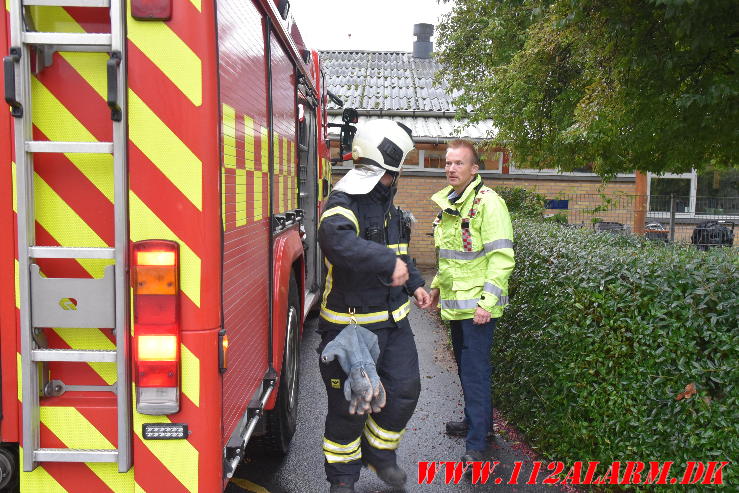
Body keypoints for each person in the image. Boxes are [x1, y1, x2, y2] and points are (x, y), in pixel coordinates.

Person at [317, 119, 431, 493]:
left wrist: (415, 285)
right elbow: (337, 243)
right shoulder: (342, 203)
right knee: (350, 408)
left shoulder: (391, 210)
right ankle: (343, 480)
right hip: (350, 330)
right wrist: (386, 264)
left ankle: (379, 455)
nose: (392, 181)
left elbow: (401, 255)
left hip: (395, 326)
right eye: (390, 174)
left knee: (404, 392)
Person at [427, 139, 515, 464]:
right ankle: (477, 423)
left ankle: (476, 444)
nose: (451, 168)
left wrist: (486, 304)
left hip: (478, 309)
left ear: (474, 168)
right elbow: (451, 259)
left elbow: (502, 258)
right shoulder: (453, 202)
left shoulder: (489, 204)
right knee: (466, 370)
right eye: (448, 163)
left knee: (475, 372)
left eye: (458, 163)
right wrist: (436, 288)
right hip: (456, 307)